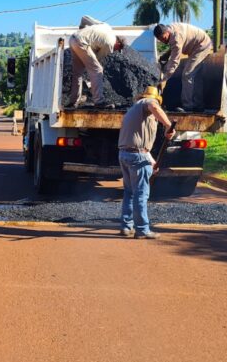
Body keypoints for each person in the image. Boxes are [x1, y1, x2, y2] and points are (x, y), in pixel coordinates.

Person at [117, 86, 175, 239]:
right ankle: (142, 229)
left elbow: (141, 144)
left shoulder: (134, 110)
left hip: (125, 154)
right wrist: (168, 125)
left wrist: (151, 161)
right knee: (141, 194)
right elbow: (154, 106)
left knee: (129, 192)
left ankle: (126, 226)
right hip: (136, 157)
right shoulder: (148, 102)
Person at [153, 23, 213, 111]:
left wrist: (164, 79)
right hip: (196, 46)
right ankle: (198, 105)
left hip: (202, 46)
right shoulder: (171, 29)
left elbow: (174, 62)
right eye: (160, 40)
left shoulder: (176, 38)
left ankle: (188, 106)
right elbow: (175, 47)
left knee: (187, 74)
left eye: (163, 38)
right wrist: (166, 55)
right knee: (196, 77)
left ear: (167, 32)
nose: (163, 41)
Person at [68, 17, 126, 108]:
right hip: (82, 42)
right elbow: (96, 59)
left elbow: (84, 18)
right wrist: (91, 75)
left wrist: (81, 29)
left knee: (77, 73)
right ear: (118, 44)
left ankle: (73, 102)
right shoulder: (110, 44)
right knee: (98, 70)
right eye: (117, 49)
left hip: (73, 38)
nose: (115, 51)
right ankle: (99, 102)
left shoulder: (106, 26)